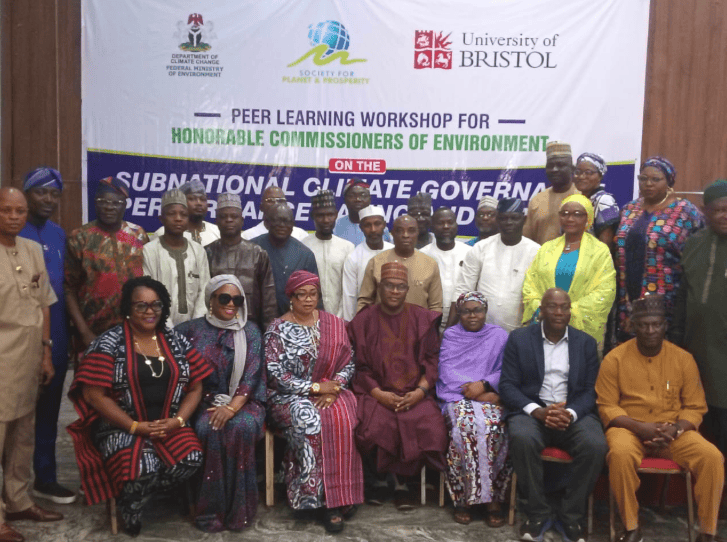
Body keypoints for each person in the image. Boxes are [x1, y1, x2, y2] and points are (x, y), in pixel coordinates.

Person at [67, 277, 212, 536]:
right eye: (141, 306)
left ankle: (141, 491)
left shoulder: (175, 341)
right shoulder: (108, 343)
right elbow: (94, 396)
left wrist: (178, 421)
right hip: (120, 426)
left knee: (191, 459)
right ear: (128, 308)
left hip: (167, 422)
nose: (149, 311)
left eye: (156, 305)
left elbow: (196, 387)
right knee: (142, 466)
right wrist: (134, 426)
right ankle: (131, 507)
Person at [596, 295, 723, 542]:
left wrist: (676, 429)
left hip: (672, 433)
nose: (650, 330)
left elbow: (695, 406)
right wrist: (640, 428)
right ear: (633, 326)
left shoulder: (683, 359)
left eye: (656, 324)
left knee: (712, 457)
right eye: (643, 325)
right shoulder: (615, 358)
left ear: (665, 325)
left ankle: (708, 533)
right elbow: (607, 406)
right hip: (629, 429)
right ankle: (631, 528)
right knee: (620, 454)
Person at [499, 288, 607, 542]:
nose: (559, 312)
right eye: (552, 306)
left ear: (570, 311)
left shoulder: (585, 343)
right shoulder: (519, 339)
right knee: (522, 438)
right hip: (533, 411)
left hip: (572, 413)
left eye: (564, 307)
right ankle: (537, 513)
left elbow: (591, 390)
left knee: (596, 444)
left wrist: (569, 413)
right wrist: (537, 411)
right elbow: (507, 386)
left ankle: (571, 516)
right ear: (541, 311)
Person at [265, 271, 363, 533]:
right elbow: (275, 375)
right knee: (311, 421)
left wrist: (335, 388)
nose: (308, 300)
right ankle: (318, 500)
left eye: (313, 294)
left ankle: (341, 495)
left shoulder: (333, 324)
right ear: (291, 297)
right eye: (302, 295)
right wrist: (316, 387)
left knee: (346, 418)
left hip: (331, 391)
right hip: (288, 396)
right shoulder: (277, 330)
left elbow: (348, 362)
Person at [349, 262, 447, 510]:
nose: (394, 291)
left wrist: (420, 392)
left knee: (430, 425)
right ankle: (380, 480)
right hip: (376, 392)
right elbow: (358, 366)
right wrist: (379, 394)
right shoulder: (364, 321)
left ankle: (406, 484)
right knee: (372, 424)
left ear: (407, 289)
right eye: (389, 286)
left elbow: (432, 361)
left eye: (400, 286)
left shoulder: (422, 319)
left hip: (415, 392)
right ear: (379, 287)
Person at [176, 275, 266, 532]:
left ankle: (239, 513)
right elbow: (180, 373)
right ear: (210, 299)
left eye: (237, 300)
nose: (231, 304)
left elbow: (252, 376)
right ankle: (209, 512)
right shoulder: (189, 331)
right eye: (224, 298)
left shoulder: (250, 331)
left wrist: (232, 407)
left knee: (241, 427)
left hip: (245, 401)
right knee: (209, 427)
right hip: (202, 400)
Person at [0, 187, 63, 542]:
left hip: (29, 360)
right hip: (0, 360)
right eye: (6, 210)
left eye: (19, 211)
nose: (13, 217)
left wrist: (46, 352)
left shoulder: (32, 249)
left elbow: (44, 304)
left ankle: (18, 500)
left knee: (23, 435)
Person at [18, 168, 76, 504]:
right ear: (27, 194)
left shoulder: (58, 235)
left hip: (55, 336)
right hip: (18, 339)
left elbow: (64, 288)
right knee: (13, 413)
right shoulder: (12, 231)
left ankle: (45, 478)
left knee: (49, 412)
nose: (48, 200)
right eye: (41, 192)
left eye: (54, 194)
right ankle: (12, 487)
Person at [436, 292, 511, 527]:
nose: (472, 315)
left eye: (477, 310)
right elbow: (446, 372)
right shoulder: (451, 335)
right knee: (465, 428)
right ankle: (464, 499)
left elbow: (507, 369)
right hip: (457, 396)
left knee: (496, 428)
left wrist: (485, 385)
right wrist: (474, 391)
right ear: (458, 313)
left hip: (490, 396)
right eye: (466, 311)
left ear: (485, 312)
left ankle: (493, 499)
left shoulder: (498, 335)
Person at [614, 156, 703, 344]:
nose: (648, 184)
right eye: (643, 178)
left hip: (666, 299)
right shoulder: (629, 209)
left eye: (656, 179)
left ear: (669, 182)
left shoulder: (685, 211)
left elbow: (698, 254)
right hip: (627, 295)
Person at [673, 179, 727, 460]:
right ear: (705, 212)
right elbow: (683, 295)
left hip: (724, 352)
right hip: (696, 349)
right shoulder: (694, 244)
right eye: (718, 210)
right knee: (698, 418)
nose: (725, 216)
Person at [522, 195, 616, 352]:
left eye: (577, 214)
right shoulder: (546, 248)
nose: (570, 219)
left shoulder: (600, 251)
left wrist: (567, 313)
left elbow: (605, 291)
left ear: (588, 218)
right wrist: (542, 309)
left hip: (580, 331)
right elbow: (530, 283)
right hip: (544, 324)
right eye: (564, 213)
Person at [65, 176, 148, 351]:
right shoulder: (80, 237)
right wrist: (84, 332)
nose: (109, 207)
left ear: (125, 205)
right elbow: (69, 289)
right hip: (92, 334)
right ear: (95, 203)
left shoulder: (138, 235)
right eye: (103, 201)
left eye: (116, 202)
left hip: (135, 331)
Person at [449, 198, 540, 332]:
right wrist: (449, 330)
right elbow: (463, 291)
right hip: (481, 332)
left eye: (514, 218)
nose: (509, 222)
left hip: (521, 333)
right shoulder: (481, 248)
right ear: (497, 219)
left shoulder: (536, 252)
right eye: (504, 218)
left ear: (524, 219)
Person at [205, 193, 277, 331]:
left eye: (234, 216)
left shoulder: (258, 253)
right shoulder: (207, 253)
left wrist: (268, 333)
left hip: (250, 328)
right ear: (216, 221)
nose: (229, 220)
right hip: (214, 327)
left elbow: (269, 301)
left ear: (242, 220)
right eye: (223, 217)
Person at [143, 189, 209, 326]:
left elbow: (204, 290)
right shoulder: (149, 251)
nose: (178, 218)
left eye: (183, 214)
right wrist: (169, 329)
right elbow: (150, 293)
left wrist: (194, 326)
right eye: (172, 214)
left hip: (194, 328)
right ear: (161, 218)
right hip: (160, 325)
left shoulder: (198, 251)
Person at [357, 215, 443, 313]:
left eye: (411, 231)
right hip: (382, 322)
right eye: (400, 230)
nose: (405, 235)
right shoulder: (376, 262)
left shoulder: (430, 264)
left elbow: (435, 306)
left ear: (417, 233)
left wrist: (431, 323)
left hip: (419, 322)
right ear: (392, 233)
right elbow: (365, 301)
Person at [252, 204, 319, 315]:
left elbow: (314, 293)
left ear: (293, 225)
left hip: (295, 318)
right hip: (257, 317)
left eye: (287, 221)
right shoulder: (252, 249)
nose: (282, 225)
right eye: (277, 220)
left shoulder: (305, 254)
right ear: (267, 223)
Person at [302, 190, 354, 317]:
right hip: (309, 316)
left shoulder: (347, 247)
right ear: (313, 216)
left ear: (336, 215)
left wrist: (340, 317)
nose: (326, 220)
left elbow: (349, 287)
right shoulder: (303, 246)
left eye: (330, 215)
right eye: (320, 215)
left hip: (340, 316)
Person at [421, 207, 470, 331]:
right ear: (432, 227)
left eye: (450, 222)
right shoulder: (422, 255)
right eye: (440, 223)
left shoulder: (469, 253)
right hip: (429, 324)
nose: (446, 226)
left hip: (464, 324)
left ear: (456, 226)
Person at [341, 205, 393, 321]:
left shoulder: (394, 252)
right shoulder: (353, 257)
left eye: (377, 224)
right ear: (361, 227)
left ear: (384, 225)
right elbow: (350, 296)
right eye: (367, 225)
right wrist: (350, 324)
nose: (373, 229)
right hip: (365, 319)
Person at [523, 140, 580, 245]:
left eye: (560, 165)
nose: (554, 170)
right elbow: (527, 242)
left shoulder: (583, 198)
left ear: (572, 169)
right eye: (550, 166)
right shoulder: (536, 200)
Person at [573, 153, 620, 250]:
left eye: (588, 172)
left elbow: (605, 247)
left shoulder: (604, 201)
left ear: (600, 176)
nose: (581, 176)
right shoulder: (579, 200)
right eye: (578, 172)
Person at [155, 179, 219, 246]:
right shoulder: (162, 233)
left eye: (203, 199)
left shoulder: (217, 231)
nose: (199, 203)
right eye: (191, 199)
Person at [333, 178, 391, 245]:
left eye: (363, 195)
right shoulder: (336, 226)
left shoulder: (380, 228)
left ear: (369, 199)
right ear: (345, 200)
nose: (358, 199)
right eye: (352, 196)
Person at [242, 186, 308, 241]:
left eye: (280, 200)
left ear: (286, 205)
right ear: (261, 207)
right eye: (270, 200)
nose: (276, 204)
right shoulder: (247, 237)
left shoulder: (301, 236)